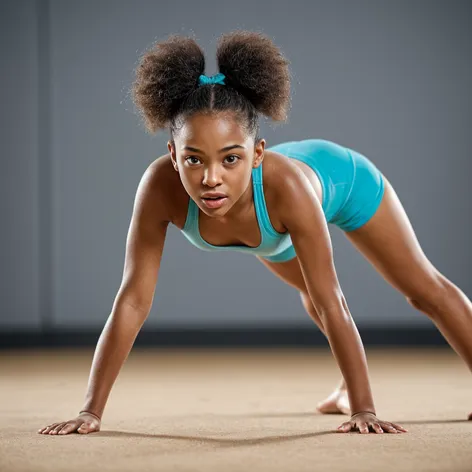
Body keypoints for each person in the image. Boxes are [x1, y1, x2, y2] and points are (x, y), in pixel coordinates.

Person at [38, 30, 472, 437]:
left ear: (256, 153)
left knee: (417, 290)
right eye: (194, 160)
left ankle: (355, 394)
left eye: (230, 159)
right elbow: (132, 299)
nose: (211, 178)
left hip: (345, 183)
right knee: (310, 294)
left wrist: (366, 410)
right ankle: (345, 386)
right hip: (272, 231)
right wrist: (90, 411)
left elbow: (332, 297)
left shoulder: (287, 190)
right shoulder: (157, 188)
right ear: (172, 155)